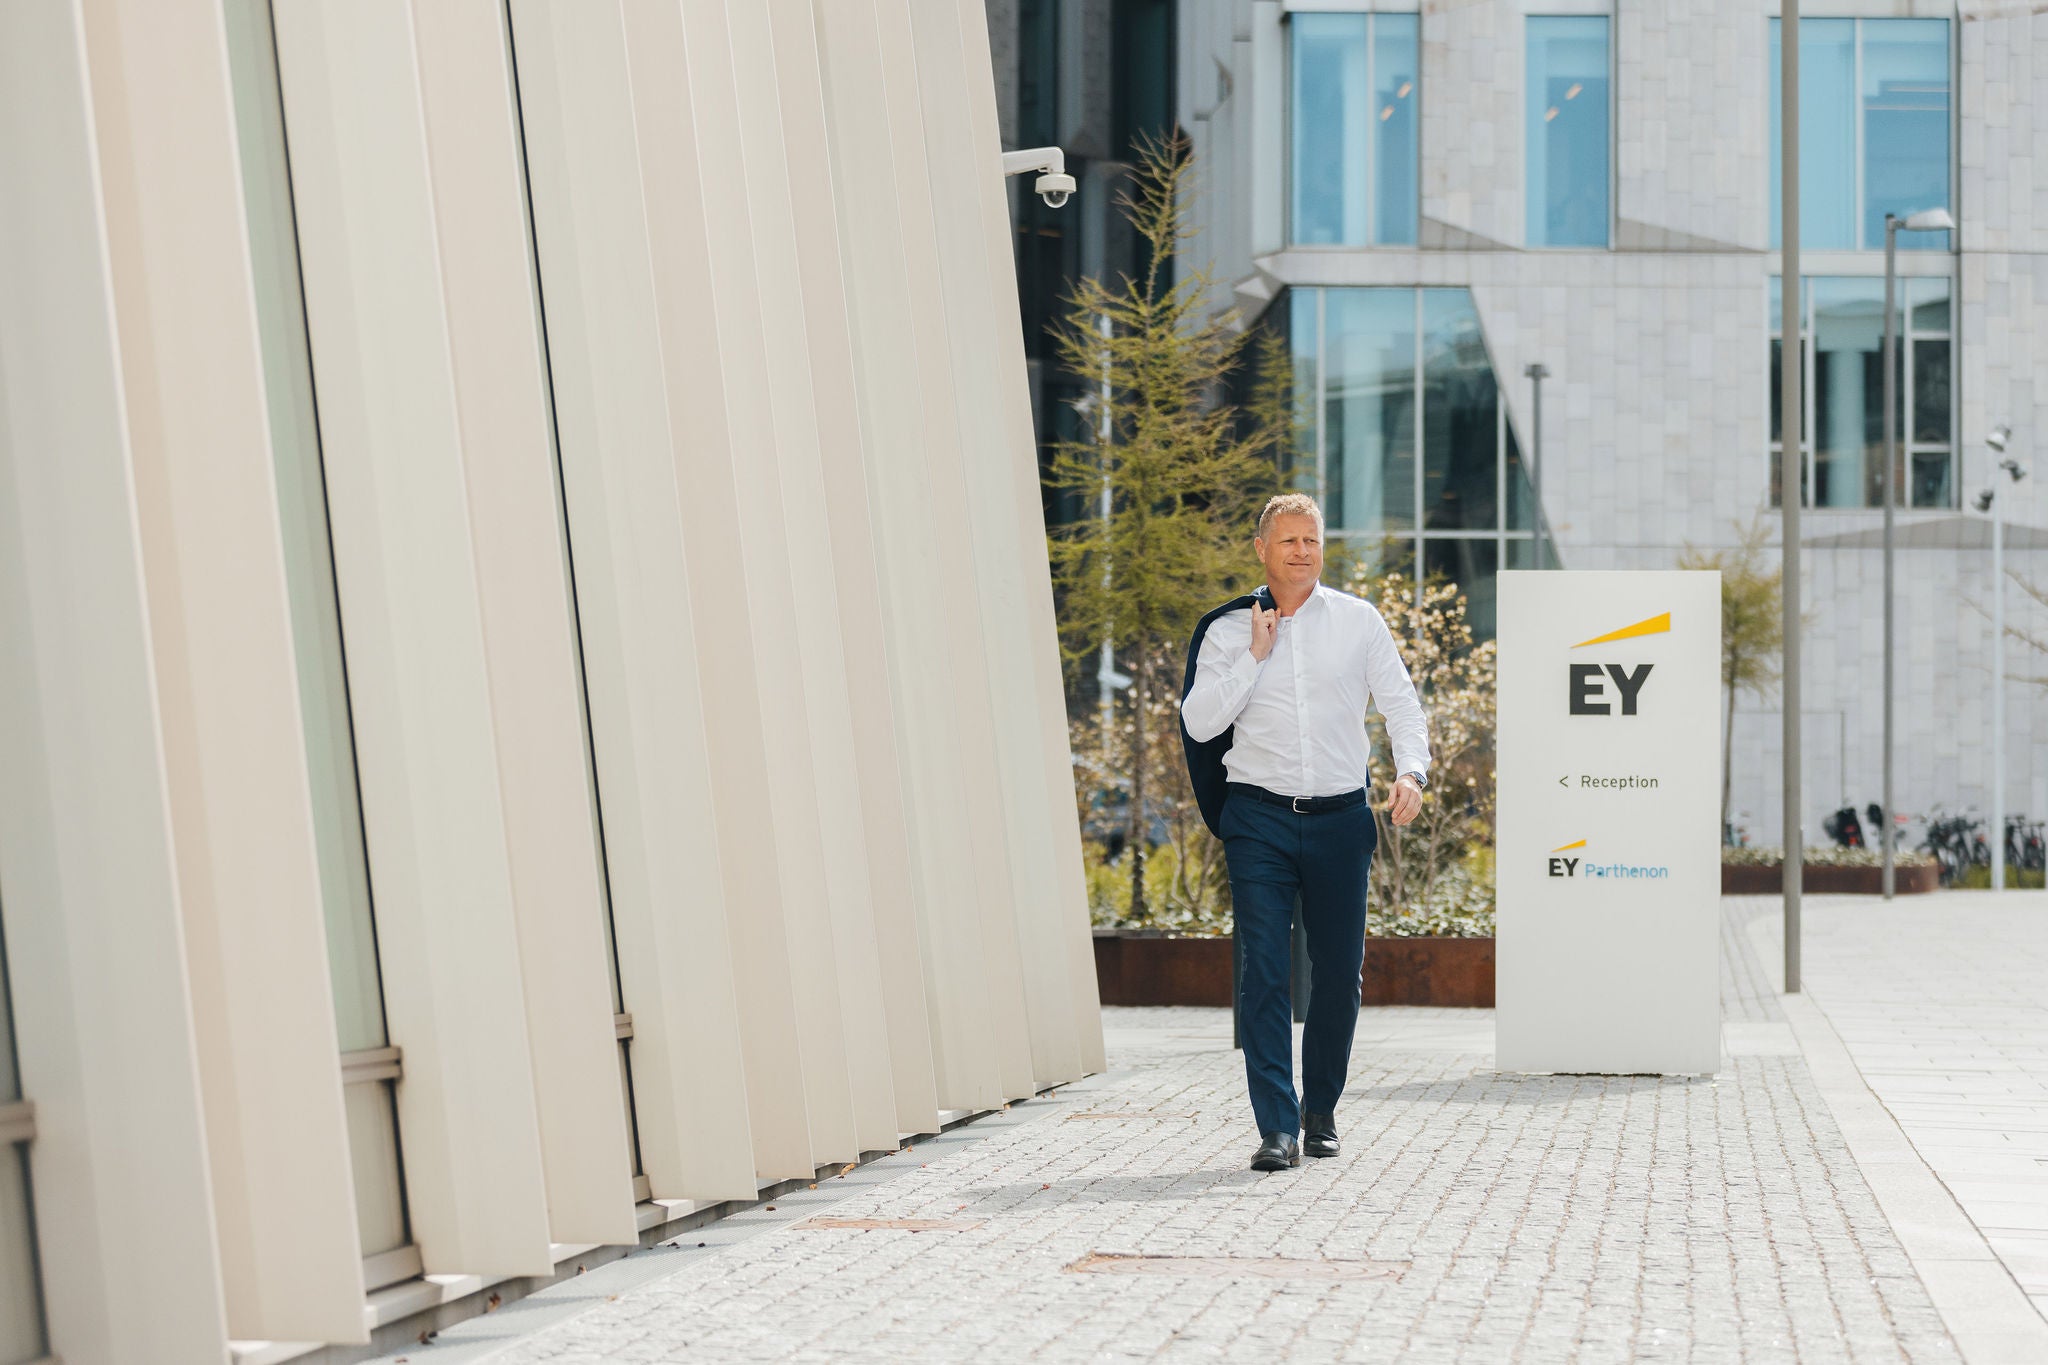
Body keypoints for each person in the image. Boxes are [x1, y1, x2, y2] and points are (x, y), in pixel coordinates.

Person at [1180, 493, 1430, 1172]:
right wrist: (1254, 657)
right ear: (1261, 548)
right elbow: (1200, 723)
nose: (1300, 550)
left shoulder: (1358, 621)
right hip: (1258, 818)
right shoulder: (1230, 631)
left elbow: (1402, 702)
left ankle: (1320, 1110)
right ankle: (1278, 1126)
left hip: (1340, 821)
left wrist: (1411, 770)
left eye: (1310, 539)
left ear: (1323, 547)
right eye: (1286, 539)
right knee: (1263, 971)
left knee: (1337, 974)